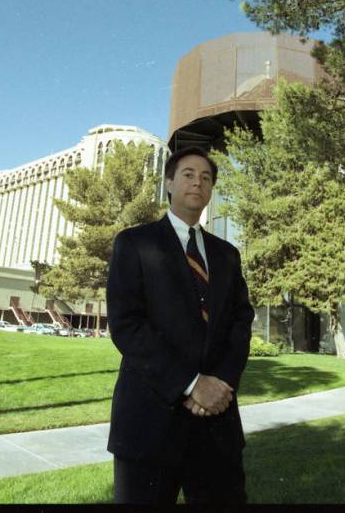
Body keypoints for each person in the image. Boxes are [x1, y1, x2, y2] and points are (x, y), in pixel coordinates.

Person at [106, 145, 255, 504]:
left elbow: (241, 321)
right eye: (188, 174)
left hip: (217, 425)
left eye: (206, 178)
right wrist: (190, 385)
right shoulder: (134, 243)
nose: (197, 183)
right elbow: (127, 326)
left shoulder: (227, 255)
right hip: (150, 422)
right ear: (169, 183)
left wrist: (220, 384)